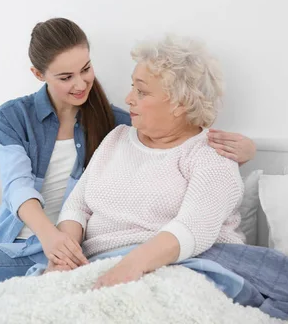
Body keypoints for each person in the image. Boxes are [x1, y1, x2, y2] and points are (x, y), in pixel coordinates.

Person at [0, 18, 256, 320]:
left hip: (73, 250)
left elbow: (182, 147)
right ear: (38, 75)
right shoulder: (18, 117)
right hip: (29, 240)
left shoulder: (116, 122)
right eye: (65, 76)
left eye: (86, 69)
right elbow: (18, 186)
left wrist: (246, 148)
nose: (82, 83)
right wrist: (55, 240)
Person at [47, 34, 245, 284]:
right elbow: (77, 206)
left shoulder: (211, 155)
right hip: (95, 262)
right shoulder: (116, 138)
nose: (129, 98)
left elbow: (193, 229)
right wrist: (64, 257)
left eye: (141, 91)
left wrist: (126, 269)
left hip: (174, 268)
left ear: (180, 103)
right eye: (133, 87)